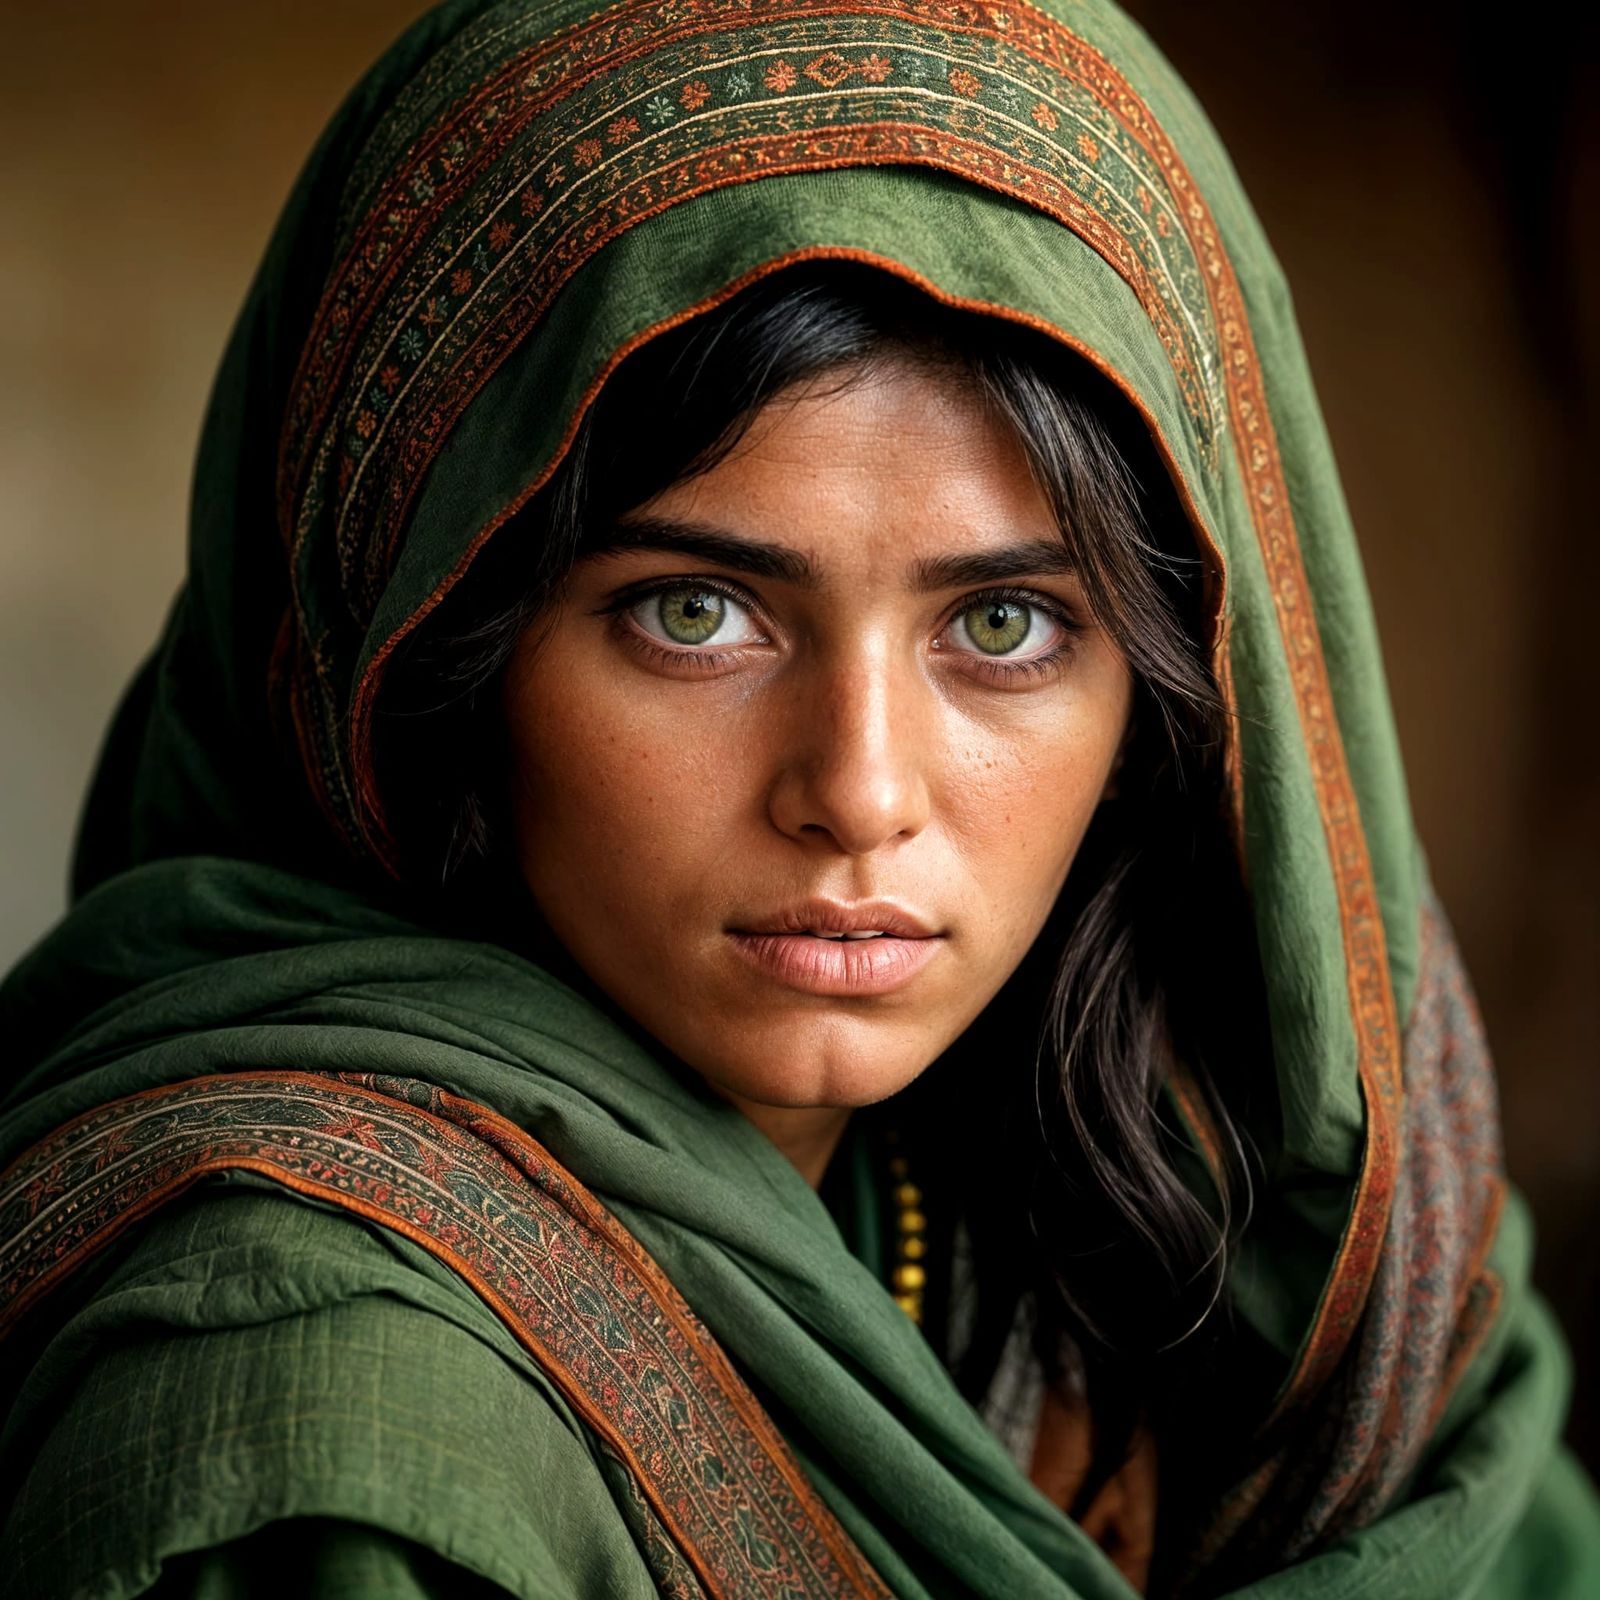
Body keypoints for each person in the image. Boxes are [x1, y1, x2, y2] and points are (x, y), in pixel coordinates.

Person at [0, 0, 1595, 1594]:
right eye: (694, 614)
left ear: (1181, 700)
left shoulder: (1157, 1246)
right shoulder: (322, 1418)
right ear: (423, 645)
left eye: (1003, 626)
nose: (862, 791)